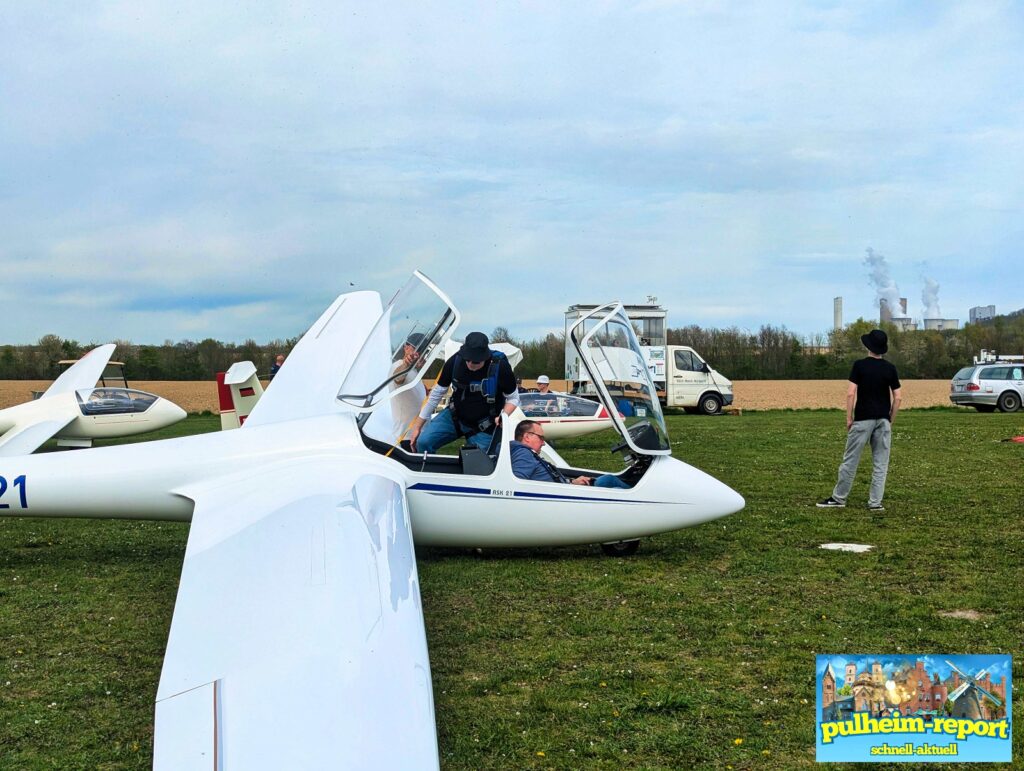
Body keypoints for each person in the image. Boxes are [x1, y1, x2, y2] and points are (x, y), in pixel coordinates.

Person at [817, 329, 902, 511]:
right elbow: (898, 397)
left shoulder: (860, 366)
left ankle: (838, 498)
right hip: (883, 420)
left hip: (863, 419)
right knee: (881, 463)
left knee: (850, 460)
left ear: (868, 347)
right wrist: (890, 419)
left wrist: (849, 418)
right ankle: (875, 503)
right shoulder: (890, 368)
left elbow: (850, 393)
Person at [409, 332, 519, 454]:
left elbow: (513, 398)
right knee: (423, 442)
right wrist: (417, 426)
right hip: (455, 416)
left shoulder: (500, 367)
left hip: (485, 426)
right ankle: (426, 470)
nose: (471, 364)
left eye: (476, 361)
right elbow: (436, 394)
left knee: (479, 465)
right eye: (468, 359)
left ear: (485, 357)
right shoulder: (454, 361)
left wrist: (504, 415)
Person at [510, 420, 629, 488]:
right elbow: (516, 486)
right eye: (541, 438)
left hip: (566, 488)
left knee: (608, 480)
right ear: (527, 437)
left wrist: (572, 482)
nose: (543, 443)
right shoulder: (523, 454)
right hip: (562, 500)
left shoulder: (526, 453)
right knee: (617, 489)